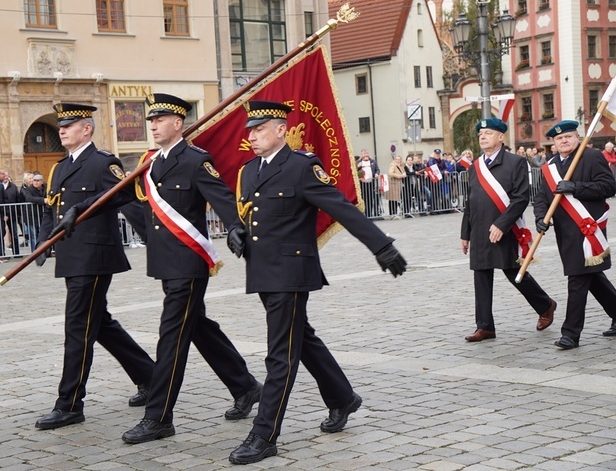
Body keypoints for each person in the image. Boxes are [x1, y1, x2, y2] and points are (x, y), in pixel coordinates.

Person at [226, 100, 408, 465]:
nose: (252, 136)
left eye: (259, 129)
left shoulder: (301, 168)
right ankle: (342, 397)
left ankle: (264, 435)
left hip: (292, 274)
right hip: (263, 272)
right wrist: (236, 230)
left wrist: (382, 246)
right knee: (301, 338)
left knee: (280, 356)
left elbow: (340, 207)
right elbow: (249, 214)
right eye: (250, 130)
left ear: (281, 130)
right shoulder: (250, 171)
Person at [121, 93, 261, 444]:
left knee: (172, 336)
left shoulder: (195, 160)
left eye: (159, 119)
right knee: (197, 326)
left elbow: (222, 196)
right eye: (150, 120)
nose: (152, 125)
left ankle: (159, 417)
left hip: (188, 262)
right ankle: (245, 387)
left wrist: (234, 226)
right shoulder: (150, 162)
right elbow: (132, 201)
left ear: (178, 123)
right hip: (165, 263)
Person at [33, 103, 154, 430]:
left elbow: (124, 191)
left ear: (86, 129)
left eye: (69, 125)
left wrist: (83, 206)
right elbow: (51, 210)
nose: (62, 130)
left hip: (95, 255)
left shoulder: (102, 162)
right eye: (60, 125)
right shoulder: (58, 169)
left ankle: (70, 404)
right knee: (99, 324)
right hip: (71, 256)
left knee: (77, 327)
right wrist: (43, 242)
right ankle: (152, 377)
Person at [460, 118, 557, 342]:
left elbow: (521, 198)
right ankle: (485, 327)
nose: (482, 137)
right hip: (479, 229)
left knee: (514, 272)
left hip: (506, 228)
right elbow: (470, 201)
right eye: (480, 134)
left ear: (501, 137)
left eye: (488, 133)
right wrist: (465, 233)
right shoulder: (476, 166)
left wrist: (502, 225)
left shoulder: (515, 162)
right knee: (481, 275)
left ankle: (545, 304)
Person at [533, 120, 616, 349]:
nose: (564, 141)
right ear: (553, 144)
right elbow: (542, 197)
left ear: (577, 138)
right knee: (593, 279)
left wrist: (576, 187)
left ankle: (570, 334)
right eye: (559, 139)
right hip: (566, 233)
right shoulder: (549, 166)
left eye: (568, 137)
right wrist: (541, 219)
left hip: (588, 229)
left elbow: (608, 187)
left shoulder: (591, 157)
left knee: (578, 279)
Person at [0, 168, 23, 257]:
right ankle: (1, 253)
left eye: (7, 175)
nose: (5, 177)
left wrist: (18, 212)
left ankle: (16, 252)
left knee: (14, 233)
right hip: (2, 213)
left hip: (12, 213)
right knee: (1, 233)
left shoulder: (13, 186)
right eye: (4, 175)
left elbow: (18, 199)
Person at [21, 173, 46, 251]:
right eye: (34, 180)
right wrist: (43, 200)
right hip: (31, 215)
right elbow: (29, 198)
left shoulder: (46, 188)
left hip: (43, 214)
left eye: (38, 181)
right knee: (33, 235)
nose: (35, 182)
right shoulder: (29, 189)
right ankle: (35, 251)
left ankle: (44, 250)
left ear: (41, 181)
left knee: (43, 234)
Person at [356, 149, 380, 217]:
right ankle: (362, 214)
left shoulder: (373, 161)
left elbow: (377, 169)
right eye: (364, 153)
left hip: (370, 183)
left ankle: (369, 214)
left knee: (370, 198)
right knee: (363, 199)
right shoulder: (358, 162)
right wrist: (358, 167)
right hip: (362, 183)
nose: (366, 155)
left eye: (367, 153)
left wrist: (376, 174)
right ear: (362, 154)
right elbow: (354, 171)